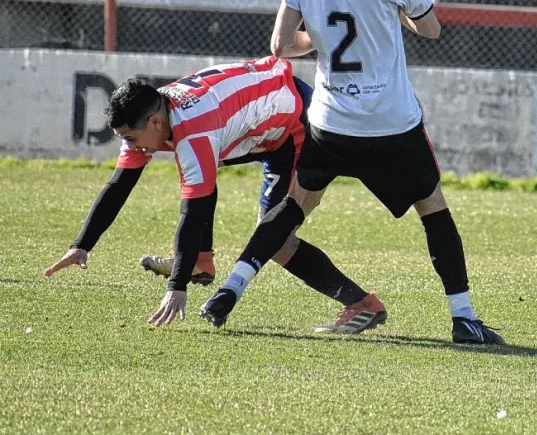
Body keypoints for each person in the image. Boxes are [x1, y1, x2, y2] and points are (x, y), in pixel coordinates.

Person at [200, 0, 505, 345]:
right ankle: (464, 318)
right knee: (433, 208)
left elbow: (282, 45)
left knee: (293, 206)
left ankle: (230, 289)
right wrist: (393, 13)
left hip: (330, 122)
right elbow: (431, 30)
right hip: (390, 122)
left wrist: (322, 40)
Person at [44, 57, 387, 333]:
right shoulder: (158, 114)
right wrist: (81, 245)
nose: (128, 145)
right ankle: (199, 260)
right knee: (202, 181)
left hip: (295, 123)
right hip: (264, 121)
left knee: (276, 241)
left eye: (130, 137)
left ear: (153, 123)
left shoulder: (194, 130)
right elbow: (118, 185)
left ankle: (362, 305)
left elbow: (194, 209)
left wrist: (176, 287)